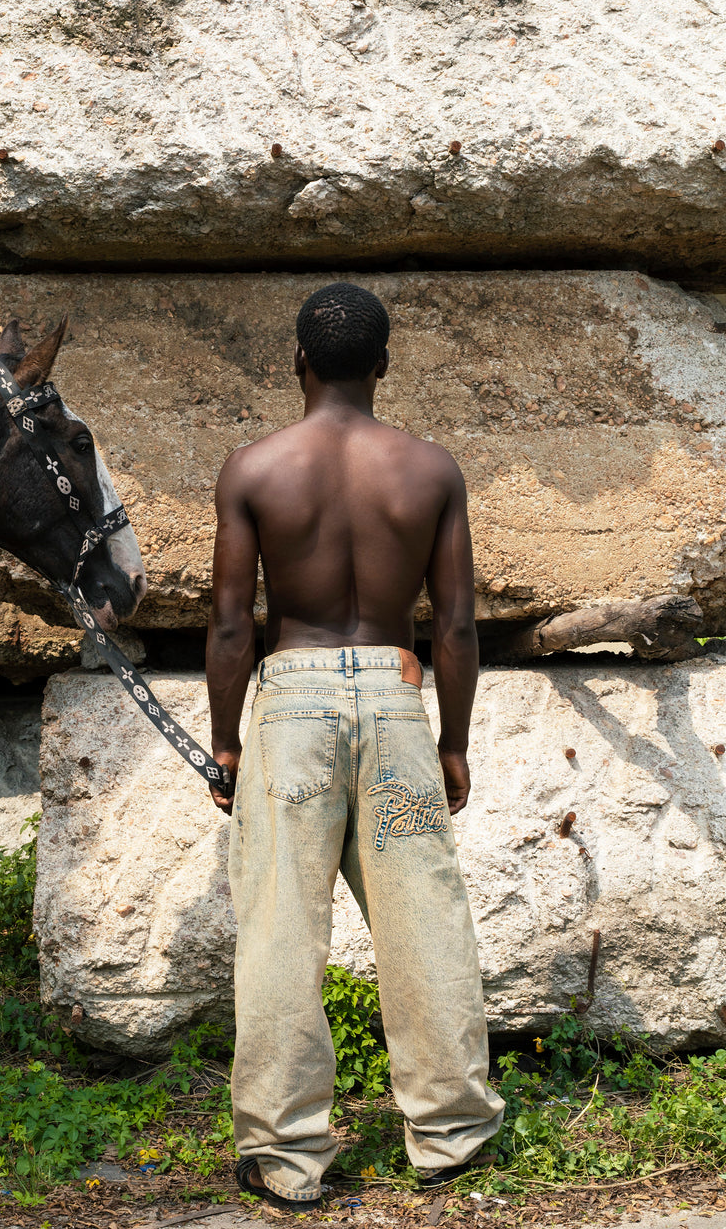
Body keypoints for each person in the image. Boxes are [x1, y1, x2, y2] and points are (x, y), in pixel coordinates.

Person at [205, 282, 504, 1211]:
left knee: (280, 931)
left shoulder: (253, 469)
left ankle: (286, 1155)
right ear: (383, 364)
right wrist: (454, 742)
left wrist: (226, 744)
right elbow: (455, 627)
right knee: (425, 922)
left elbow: (230, 625)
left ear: (298, 361)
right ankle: (450, 1133)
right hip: (395, 703)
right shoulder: (429, 470)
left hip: (290, 707)